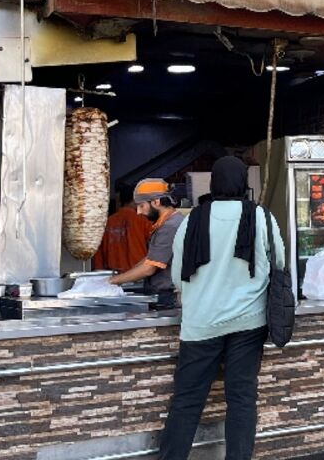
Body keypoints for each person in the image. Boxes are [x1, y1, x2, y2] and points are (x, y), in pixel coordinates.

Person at [159, 157, 285, 460]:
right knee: (242, 399)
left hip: (200, 324)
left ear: (213, 183)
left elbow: (177, 276)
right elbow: (279, 263)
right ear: (244, 183)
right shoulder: (260, 217)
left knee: (187, 401)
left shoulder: (192, 219)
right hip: (248, 324)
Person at [107, 179, 186, 309]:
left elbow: (149, 269)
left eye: (141, 205)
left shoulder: (170, 226)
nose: (138, 212)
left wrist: (111, 281)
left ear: (156, 202)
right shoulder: (167, 224)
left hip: (167, 297)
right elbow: (151, 259)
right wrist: (124, 276)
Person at [93, 187, 154, 273]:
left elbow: (98, 252)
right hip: (136, 273)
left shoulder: (107, 222)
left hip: (112, 274)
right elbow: (156, 244)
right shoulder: (142, 221)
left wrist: (98, 270)